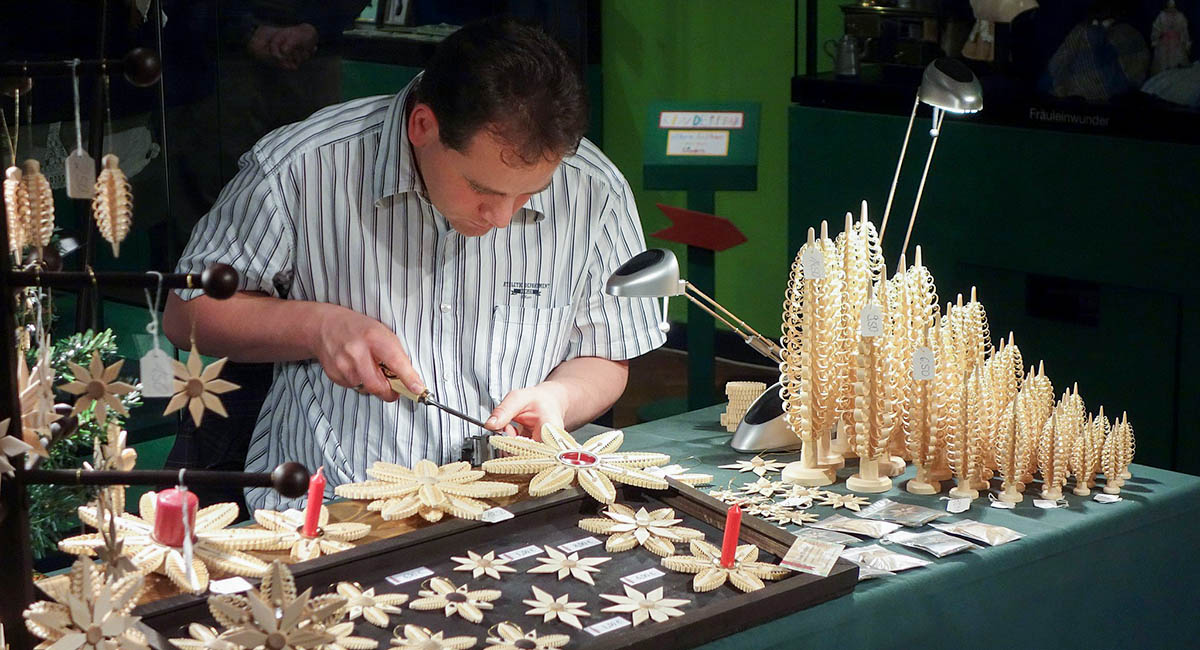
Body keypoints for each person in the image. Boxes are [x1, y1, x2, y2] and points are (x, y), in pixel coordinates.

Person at [163, 16, 665, 510]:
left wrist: (560, 398)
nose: (502, 218)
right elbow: (187, 314)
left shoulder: (593, 188)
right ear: (423, 125)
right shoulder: (301, 167)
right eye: (482, 190)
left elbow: (606, 349)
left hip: (510, 503)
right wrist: (316, 325)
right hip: (334, 506)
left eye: (531, 194)